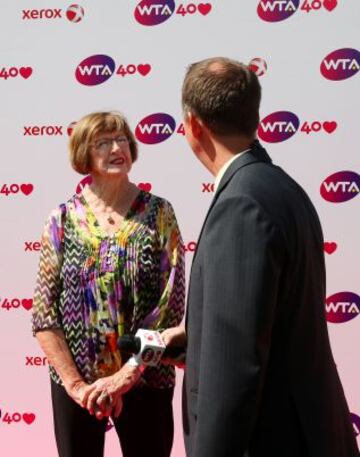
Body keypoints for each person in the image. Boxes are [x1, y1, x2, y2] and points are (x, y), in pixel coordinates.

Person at [162, 57, 359, 457]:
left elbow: (234, 369)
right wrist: (199, 342)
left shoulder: (241, 205)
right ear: (255, 116)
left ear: (192, 125)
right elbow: (266, 318)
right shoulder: (282, 188)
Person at [32, 111, 185, 457]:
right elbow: (43, 314)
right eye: (103, 142)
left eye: (122, 140)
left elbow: (170, 304)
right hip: (78, 387)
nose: (117, 148)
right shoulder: (62, 220)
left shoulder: (159, 213)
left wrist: (128, 374)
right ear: (84, 154)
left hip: (145, 378)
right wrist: (75, 385)